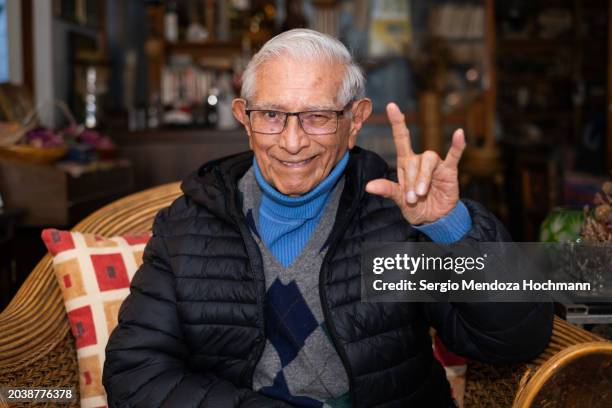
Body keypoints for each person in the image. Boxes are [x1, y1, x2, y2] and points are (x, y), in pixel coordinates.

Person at [103, 29, 553, 407]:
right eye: (273, 115)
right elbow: (135, 373)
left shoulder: (396, 219)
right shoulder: (188, 225)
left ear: (355, 121)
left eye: (317, 117)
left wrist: (450, 227)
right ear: (244, 117)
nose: (293, 142)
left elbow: (514, 341)